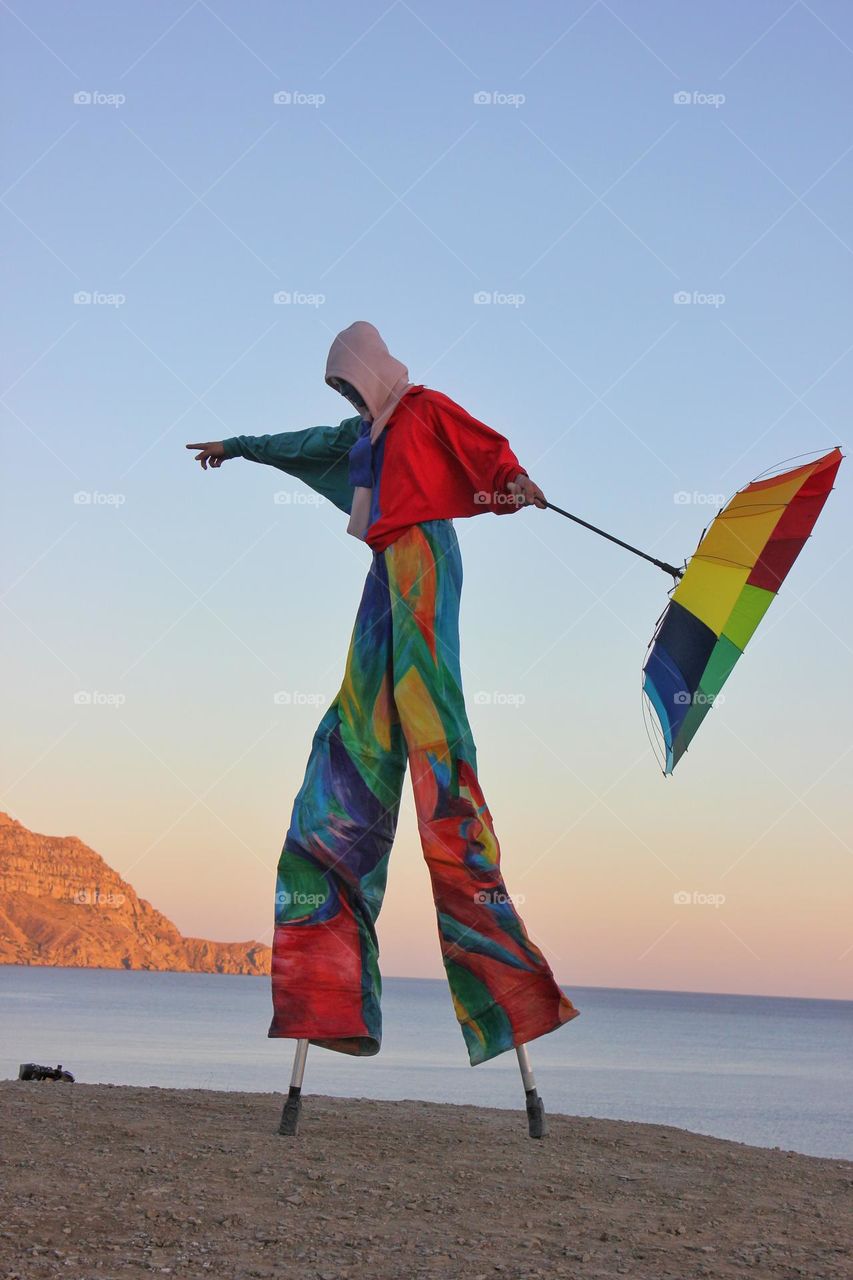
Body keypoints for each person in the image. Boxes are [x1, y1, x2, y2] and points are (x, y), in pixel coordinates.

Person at [187, 321, 578, 1067]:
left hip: (424, 554)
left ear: (371, 371)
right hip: (383, 567)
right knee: (351, 747)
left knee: (435, 744)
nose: (345, 397)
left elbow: (481, 445)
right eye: (338, 389)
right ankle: (330, 998)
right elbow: (302, 443)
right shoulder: (360, 434)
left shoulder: (422, 409)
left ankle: (507, 988)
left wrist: (514, 479)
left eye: (348, 383)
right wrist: (236, 447)